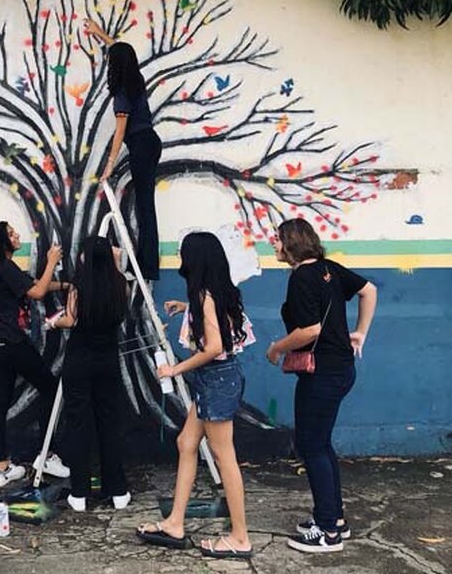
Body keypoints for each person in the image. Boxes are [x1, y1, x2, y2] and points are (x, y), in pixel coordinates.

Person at [136, 232, 255, 560]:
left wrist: (175, 370)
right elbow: (218, 323)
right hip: (216, 380)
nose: (179, 258)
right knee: (187, 444)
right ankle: (175, 522)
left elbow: (215, 347)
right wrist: (187, 308)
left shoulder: (206, 297)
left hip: (215, 380)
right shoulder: (214, 292)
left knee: (224, 457)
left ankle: (240, 536)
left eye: (183, 252)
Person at [265, 218, 377, 554]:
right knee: (320, 445)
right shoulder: (329, 268)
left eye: (277, 238)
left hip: (321, 374)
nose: (273, 243)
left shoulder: (301, 276)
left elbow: (310, 330)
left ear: (291, 243)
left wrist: (277, 348)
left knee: (311, 447)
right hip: (340, 369)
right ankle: (333, 517)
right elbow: (369, 290)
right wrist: (360, 333)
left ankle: (327, 532)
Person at [0, 221, 70, 488]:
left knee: (0, 401)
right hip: (12, 342)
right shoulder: (4, 267)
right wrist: (52, 260)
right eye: (11, 233)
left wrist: (63, 285)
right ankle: (46, 454)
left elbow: (31, 285)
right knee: (50, 387)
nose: (17, 236)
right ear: (2, 241)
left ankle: (1, 466)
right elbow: (36, 292)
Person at [46, 236, 131, 512]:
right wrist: (116, 261)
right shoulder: (120, 285)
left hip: (80, 360)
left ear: (85, 256)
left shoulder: (80, 286)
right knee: (110, 424)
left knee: (78, 425)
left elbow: (71, 319)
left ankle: (80, 493)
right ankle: (117, 490)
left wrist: (54, 322)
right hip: (108, 360)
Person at [83, 19, 161, 281]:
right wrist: (101, 35)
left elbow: (119, 132)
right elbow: (121, 50)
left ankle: (148, 266)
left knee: (145, 206)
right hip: (150, 142)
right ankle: (147, 262)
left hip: (140, 144)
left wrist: (110, 164)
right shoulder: (135, 79)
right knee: (145, 204)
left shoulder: (122, 94)